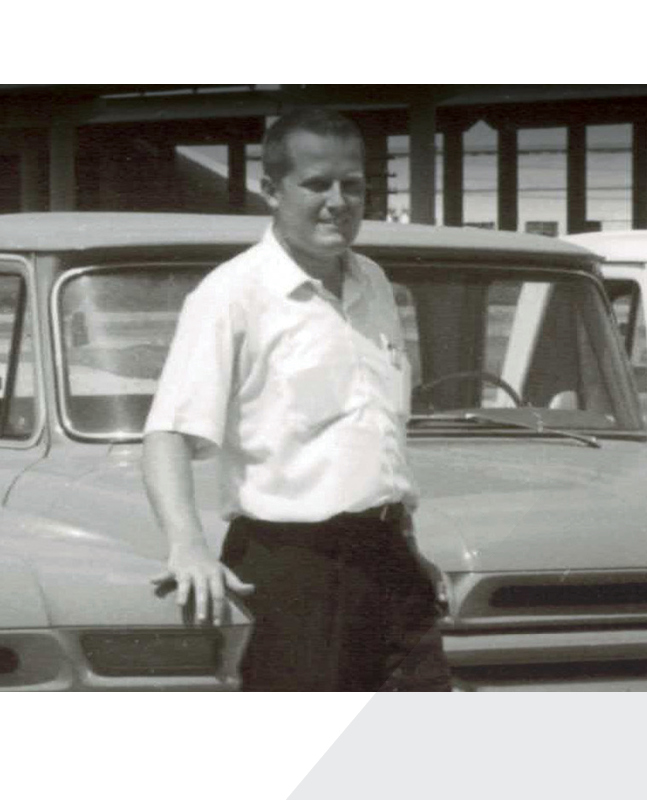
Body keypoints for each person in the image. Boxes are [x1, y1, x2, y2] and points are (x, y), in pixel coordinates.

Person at [141, 107, 450, 691]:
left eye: (353, 185)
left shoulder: (376, 284)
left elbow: (373, 435)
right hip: (292, 572)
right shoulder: (233, 295)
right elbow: (167, 436)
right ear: (271, 191)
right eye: (316, 184)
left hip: (388, 561)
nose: (338, 201)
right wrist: (188, 548)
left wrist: (409, 549)